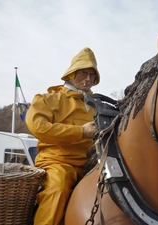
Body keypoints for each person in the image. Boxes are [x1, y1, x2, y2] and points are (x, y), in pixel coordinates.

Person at [25, 47, 99, 225]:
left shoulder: (98, 106)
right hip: (58, 162)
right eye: (83, 73)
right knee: (57, 190)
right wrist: (82, 132)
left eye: (92, 75)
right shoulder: (47, 99)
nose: (88, 79)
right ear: (71, 73)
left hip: (93, 165)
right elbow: (38, 128)